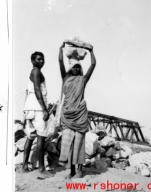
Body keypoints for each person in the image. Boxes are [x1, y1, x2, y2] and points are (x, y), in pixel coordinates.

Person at [56, 41, 96, 179]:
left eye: (79, 68)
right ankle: (71, 171)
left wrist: (91, 52)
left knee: (79, 144)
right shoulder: (65, 78)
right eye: (74, 67)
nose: (76, 69)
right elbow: (60, 61)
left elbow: (93, 65)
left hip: (79, 115)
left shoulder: (83, 80)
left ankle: (79, 171)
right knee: (68, 144)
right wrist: (61, 49)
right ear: (70, 69)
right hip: (67, 115)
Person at [19, 51, 53, 178]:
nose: (41, 61)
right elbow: (38, 90)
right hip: (37, 108)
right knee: (41, 136)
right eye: (38, 59)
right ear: (32, 61)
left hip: (30, 107)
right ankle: (42, 169)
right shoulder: (36, 71)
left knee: (30, 136)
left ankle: (24, 167)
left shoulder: (34, 72)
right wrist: (44, 109)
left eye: (42, 59)